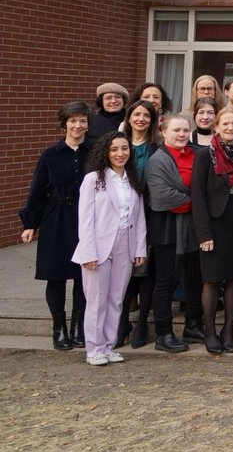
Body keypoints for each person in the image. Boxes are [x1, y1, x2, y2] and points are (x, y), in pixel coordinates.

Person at [21, 101, 92, 351]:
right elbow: (37, 190)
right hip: (55, 219)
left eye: (82, 120)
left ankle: (78, 327)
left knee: (83, 275)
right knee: (57, 275)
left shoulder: (94, 152)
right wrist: (31, 224)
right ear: (64, 124)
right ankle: (59, 328)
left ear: (87, 124)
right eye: (72, 120)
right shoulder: (50, 155)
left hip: (85, 220)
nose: (77, 125)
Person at [73, 132, 147, 366]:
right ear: (105, 152)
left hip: (126, 243)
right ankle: (93, 349)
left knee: (116, 299)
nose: (120, 153)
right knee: (97, 299)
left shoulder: (132, 179)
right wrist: (89, 252)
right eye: (114, 149)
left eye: (124, 148)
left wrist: (139, 248)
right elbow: (85, 219)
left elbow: (140, 217)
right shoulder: (93, 179)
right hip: (99, 246)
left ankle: (108, 346)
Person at [190, 106, 233, 354]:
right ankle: (209, 331)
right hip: (214, 224)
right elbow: (198, 195)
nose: (230, 128)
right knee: (212, 279)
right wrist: (204, 233)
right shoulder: (206, 155)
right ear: (216, 126)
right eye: (225, 124)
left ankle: (228, 330)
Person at [144, 113, 203, 352]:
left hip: (194, 229)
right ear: (163, 132)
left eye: (185, 130)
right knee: (166, 280)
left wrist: (196, 199)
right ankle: (163, 333)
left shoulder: (198, 155)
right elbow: (162, 198)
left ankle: (193, 324)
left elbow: (210, 186)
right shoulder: (157, 160)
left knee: (195, 277)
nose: (181, 135)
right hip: (166, 229)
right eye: (176, 130)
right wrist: (198, 200)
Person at [116, 98, 160, 348]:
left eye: (146, 116)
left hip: (149, 214)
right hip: (121, 216)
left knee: (145, 269)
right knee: (123, 270)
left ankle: (143, 321)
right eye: (137, 114)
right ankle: (122, 323)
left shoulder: (157, 147)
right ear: (129, 117)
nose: (141, 119)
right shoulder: (117, 145)